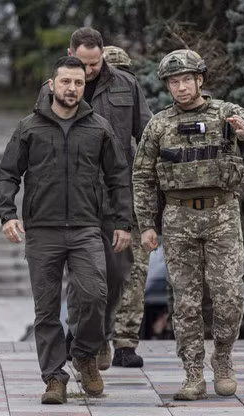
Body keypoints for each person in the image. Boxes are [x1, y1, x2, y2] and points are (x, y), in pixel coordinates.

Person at [0, 56, 132, 404]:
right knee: (46, 310)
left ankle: (85, 354)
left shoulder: (98, 128)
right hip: (42, 231)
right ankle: (54, 378)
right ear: (52, 84)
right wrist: (8, 214)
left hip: (87, 227)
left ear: (83, 87)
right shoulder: (29, 127)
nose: (71, 88)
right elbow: (8, 174)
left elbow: (118, 178)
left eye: (78, 83)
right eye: (65, 82)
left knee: (94, 295)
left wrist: (123, 221)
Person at [133, 49, 244, 400]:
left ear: (199, 80)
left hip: (221, 215)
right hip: (178, 218)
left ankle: (222, 357)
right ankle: (192, 372)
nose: (180, 87)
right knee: (186, 302)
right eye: (174, 82)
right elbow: (143, 176)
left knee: (229, 296)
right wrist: (146, 223)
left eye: (186, 80)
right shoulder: (159, 124)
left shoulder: (224, 112)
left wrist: (243, 127)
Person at [37, 28, 152, 370]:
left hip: (116, 194)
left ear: (103, 54)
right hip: (75, 198)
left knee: (117, 274)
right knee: (81, 278)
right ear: (70, 52)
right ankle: (85, 343)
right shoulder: (54, 89)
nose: (88, 72)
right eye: (82, 63)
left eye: (95, 63)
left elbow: (145, 137)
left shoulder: (126, 85)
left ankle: (100, 334)